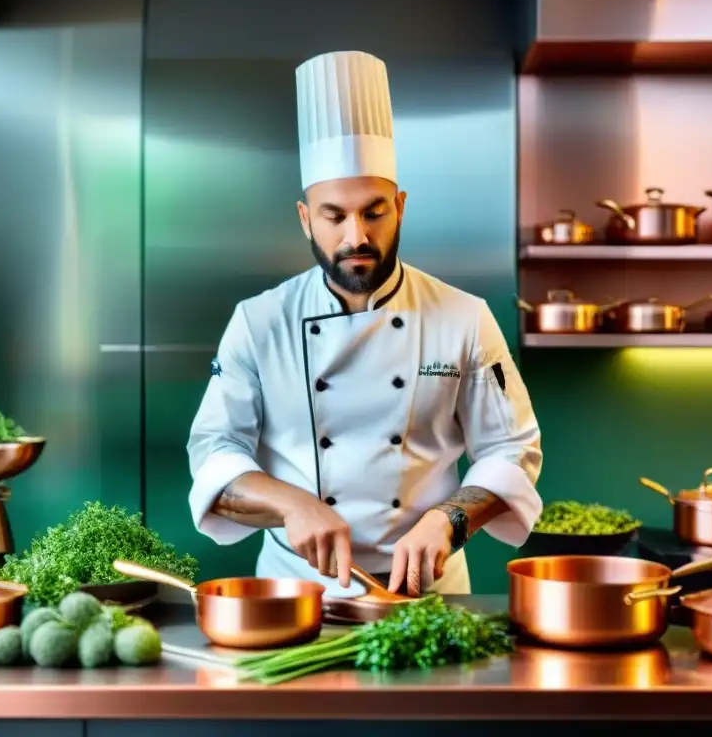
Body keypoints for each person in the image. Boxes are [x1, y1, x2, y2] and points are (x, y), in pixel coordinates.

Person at [187, 50, 542, 598]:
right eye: (334, 215)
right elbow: (214, 455)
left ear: (400, 206)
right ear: (306, 218)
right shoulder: (258, 323)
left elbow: (512, 449)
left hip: (431, 590)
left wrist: (448, 518)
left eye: (374, 210)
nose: (356, 235)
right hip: (298, 592)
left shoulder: (464, 317)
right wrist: (292, 503)